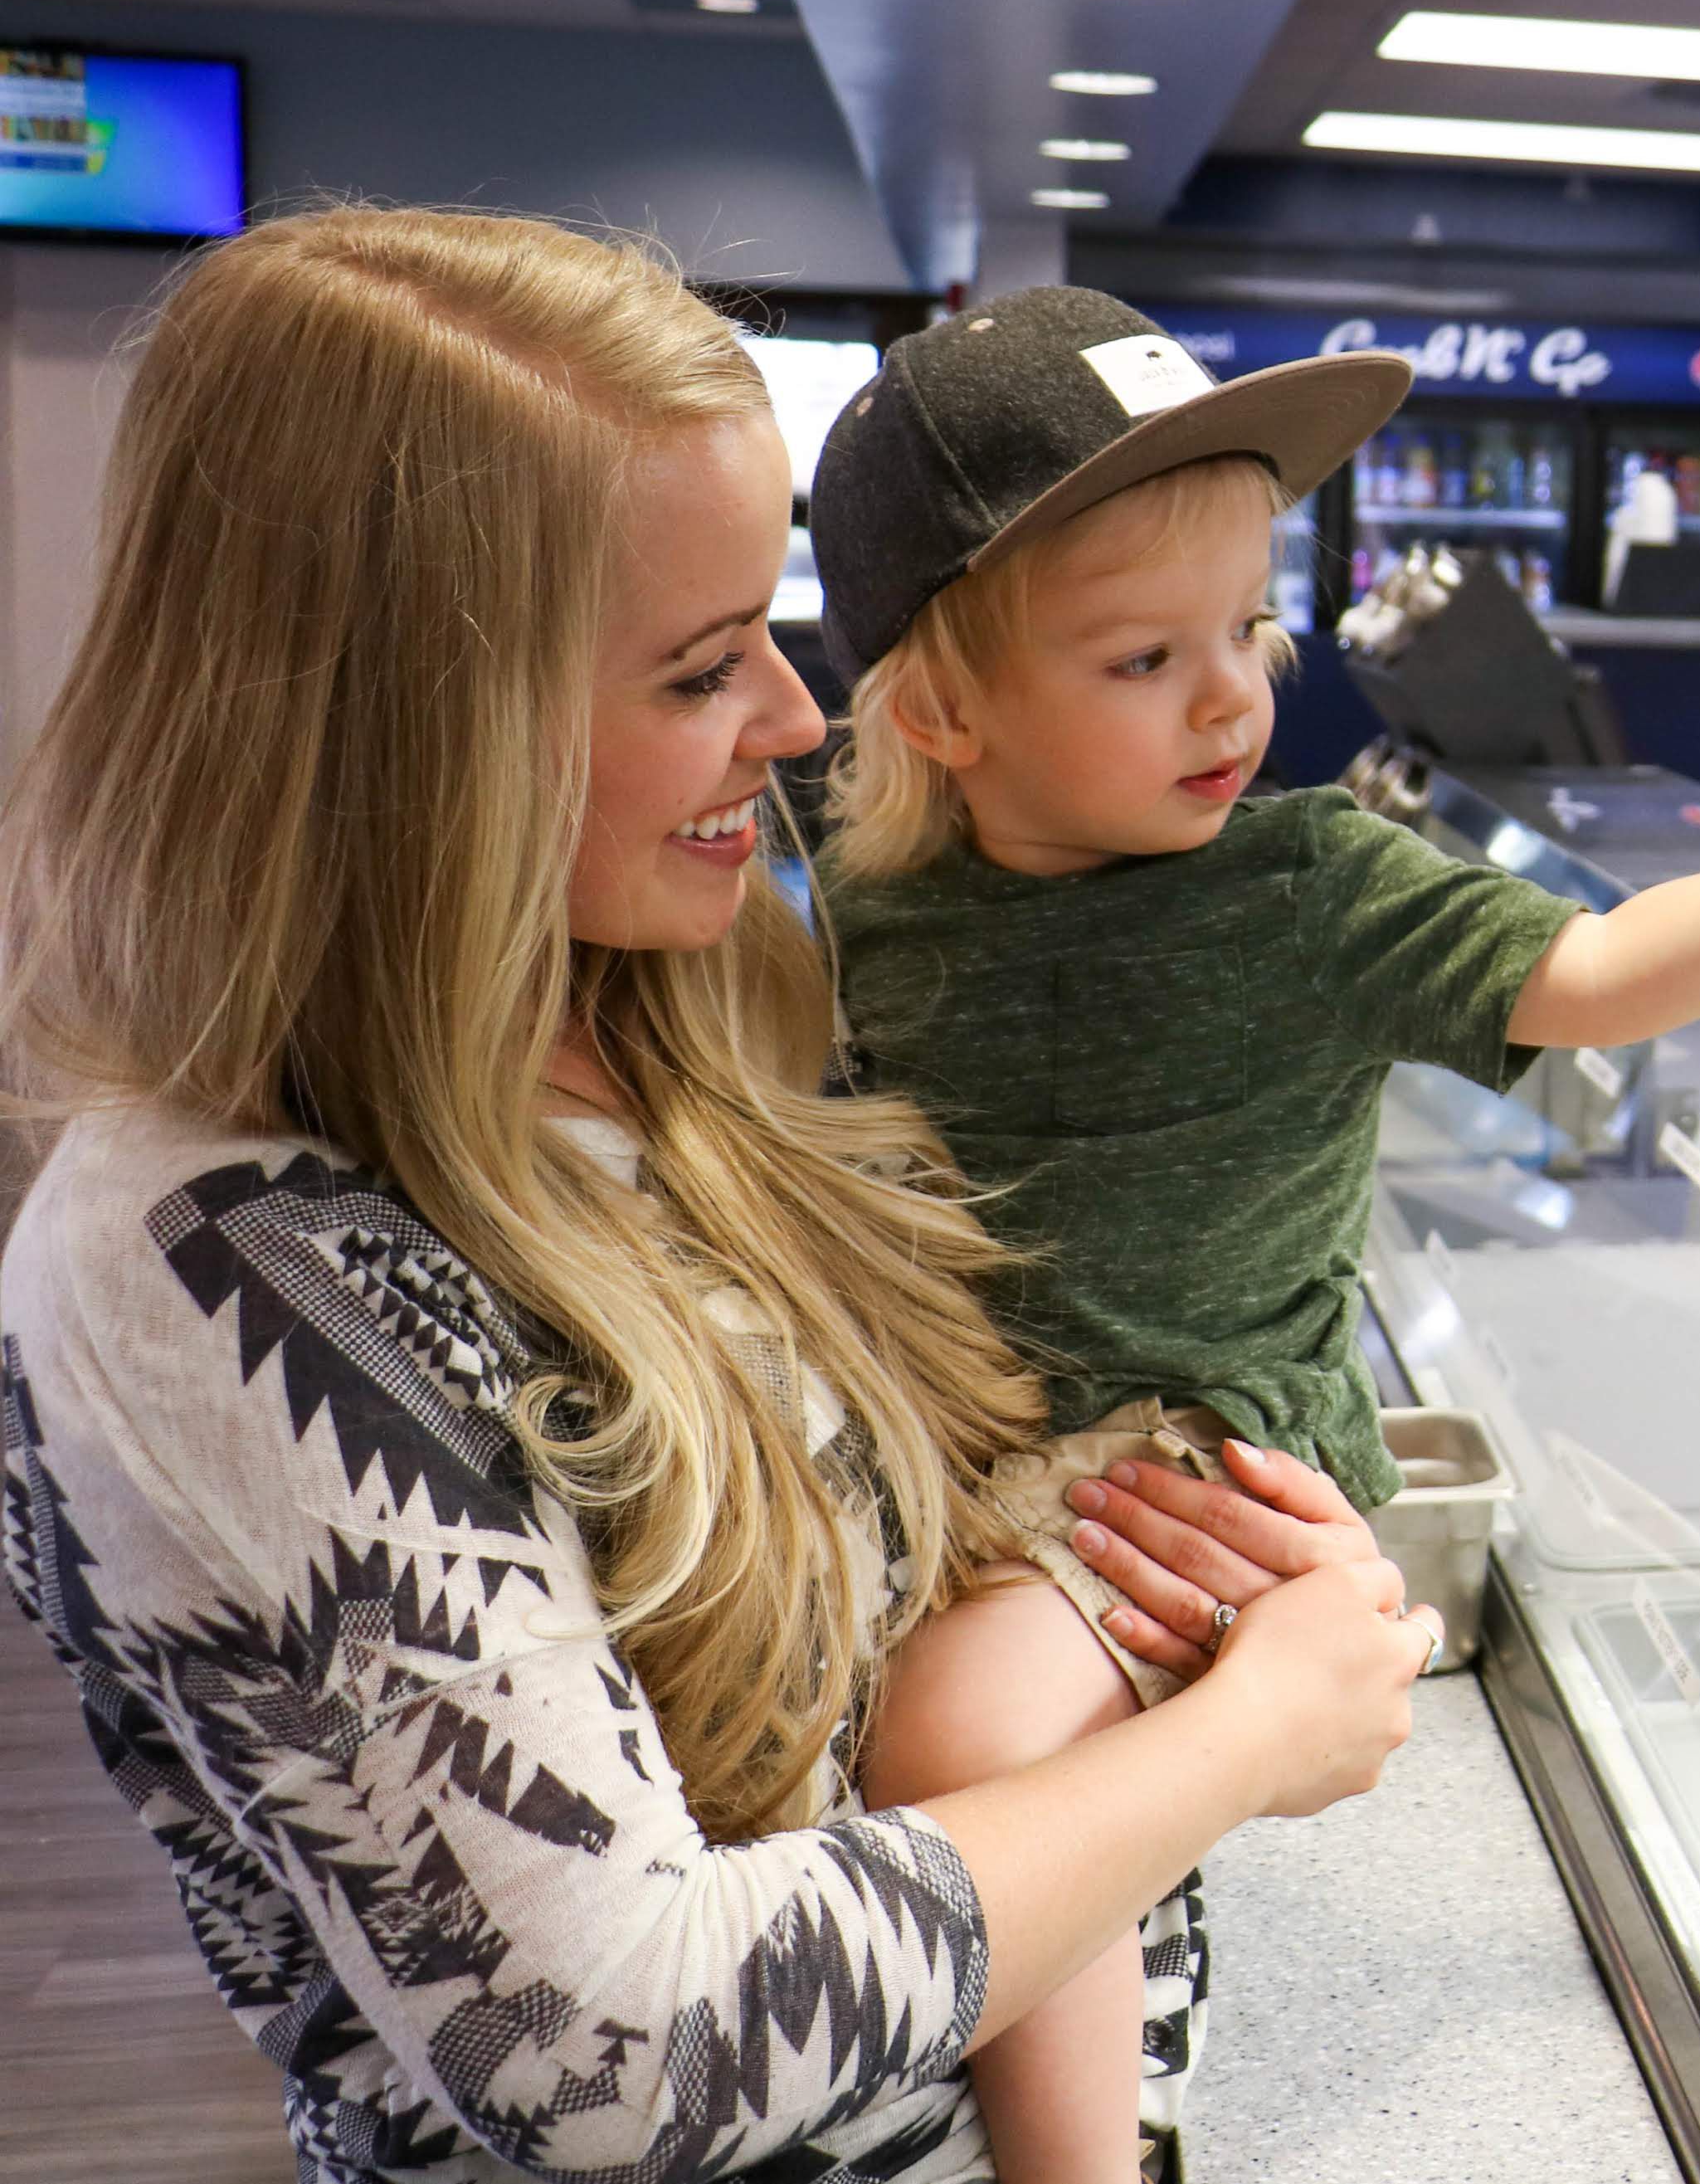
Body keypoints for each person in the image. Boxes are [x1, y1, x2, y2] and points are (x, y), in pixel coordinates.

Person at [0, 210, 1438, 2183]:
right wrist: (1239, 1738)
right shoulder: (204, 1268)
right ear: (417, 727)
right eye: (698, 667)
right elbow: (612, 2056)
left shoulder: (690, 1001)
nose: (788, 718)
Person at [801, 290, 1700, 2174]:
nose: (1232, 698)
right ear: (940, 705)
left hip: (1191, 1456)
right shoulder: (850, 917)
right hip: (938, 1450)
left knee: (967, 1745)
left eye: (1250, 631)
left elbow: (1601, 972)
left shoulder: (1312, 882)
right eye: (1142, 657)